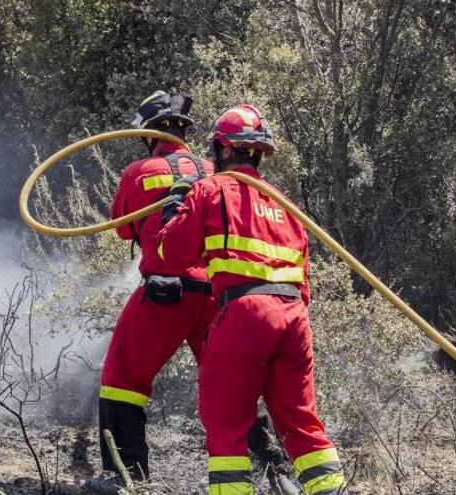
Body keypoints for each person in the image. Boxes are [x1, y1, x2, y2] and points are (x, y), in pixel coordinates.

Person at [157, 104, 349, 495]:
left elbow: (173, 254)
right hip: (294, 319)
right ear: (260, 153)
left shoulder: (210, 190)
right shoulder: (286, 204)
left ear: (224, 149)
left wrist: (175, 207)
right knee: (302, 422)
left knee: (226, 426)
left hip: (245, 315)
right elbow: (304, 279)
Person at [84, 90, 219, 493]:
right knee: (228, 380)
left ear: (147, 134)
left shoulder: (141, 171)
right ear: (183, 131)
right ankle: (270, 466)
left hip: (165, 293)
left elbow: (124, 228)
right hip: (214, 294)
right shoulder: (215, 170)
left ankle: (126, 477)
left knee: (121, 377)